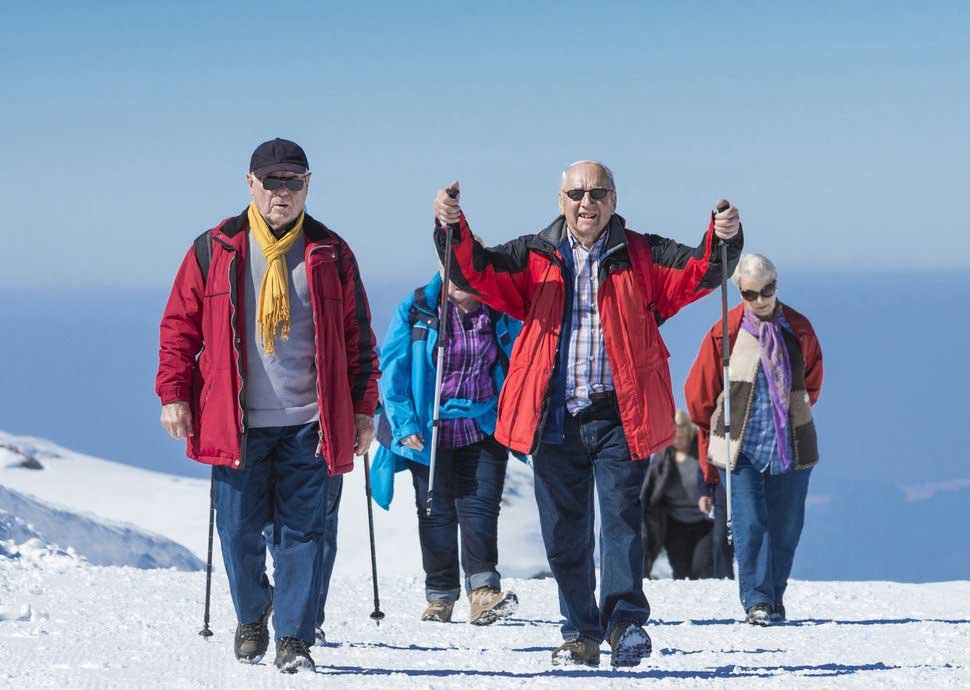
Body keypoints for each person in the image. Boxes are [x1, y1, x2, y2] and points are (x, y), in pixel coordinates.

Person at [432, 161, 742, 667]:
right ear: (561, 201)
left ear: (614, 200)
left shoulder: (639, 253)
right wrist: (451, 226)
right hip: (554, 415)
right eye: (576, 193)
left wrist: (722, 235)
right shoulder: (533, 254)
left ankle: (625, 626)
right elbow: (475, 271)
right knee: (563, 533)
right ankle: (579, 631)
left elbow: (699, 270)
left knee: (620, 523)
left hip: (621, 413)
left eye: (597, 192)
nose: (586, 202)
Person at [156, 138, 380, 673]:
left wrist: (364, 409)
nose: (282, 192)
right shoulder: (214, 248)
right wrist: (173, 394)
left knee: (304, 533)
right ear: (250, 183)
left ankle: (295, 638)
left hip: (312, 421)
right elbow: (179, 330)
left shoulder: (331, 251)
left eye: (293, 181)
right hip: (236, 423)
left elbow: (358, 339)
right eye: (272, 180)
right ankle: (253, 614)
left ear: (308, 185)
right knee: (236, 530)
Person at [369, 266, 522, 625]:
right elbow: (394, 367)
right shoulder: (419, 308)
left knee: (481, 508)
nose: (459, 278)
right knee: (435, 513)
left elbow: (518, 359)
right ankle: (440, 596)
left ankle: (483, 591)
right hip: (428, 429)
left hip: (483, 423)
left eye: (468, 268)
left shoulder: (498, 309)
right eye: (451, 268)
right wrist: (404, 423)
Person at [686, 253, 823, 626]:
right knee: (750, 524)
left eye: (768, 290)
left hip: (792, 446)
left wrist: (794, 410)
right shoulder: (725, 333)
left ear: (776, 284)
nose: (760, 299)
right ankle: (757, 599)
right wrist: (712, 437)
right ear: (740, 292)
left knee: (787, 525)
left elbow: (812, 380)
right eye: (750, 293)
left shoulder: (798, 329)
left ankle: (775, 596)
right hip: (742, 448)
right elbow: (699, 395)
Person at [642, 410, 713, 580]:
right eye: (674, 438)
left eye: (680, 437)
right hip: (674, 523)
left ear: (688, 433)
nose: (677, 441)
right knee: (680, 574)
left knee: (701, 570)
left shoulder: (702, 452)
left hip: (704, 523)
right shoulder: (663, 457)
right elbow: (649, 488)